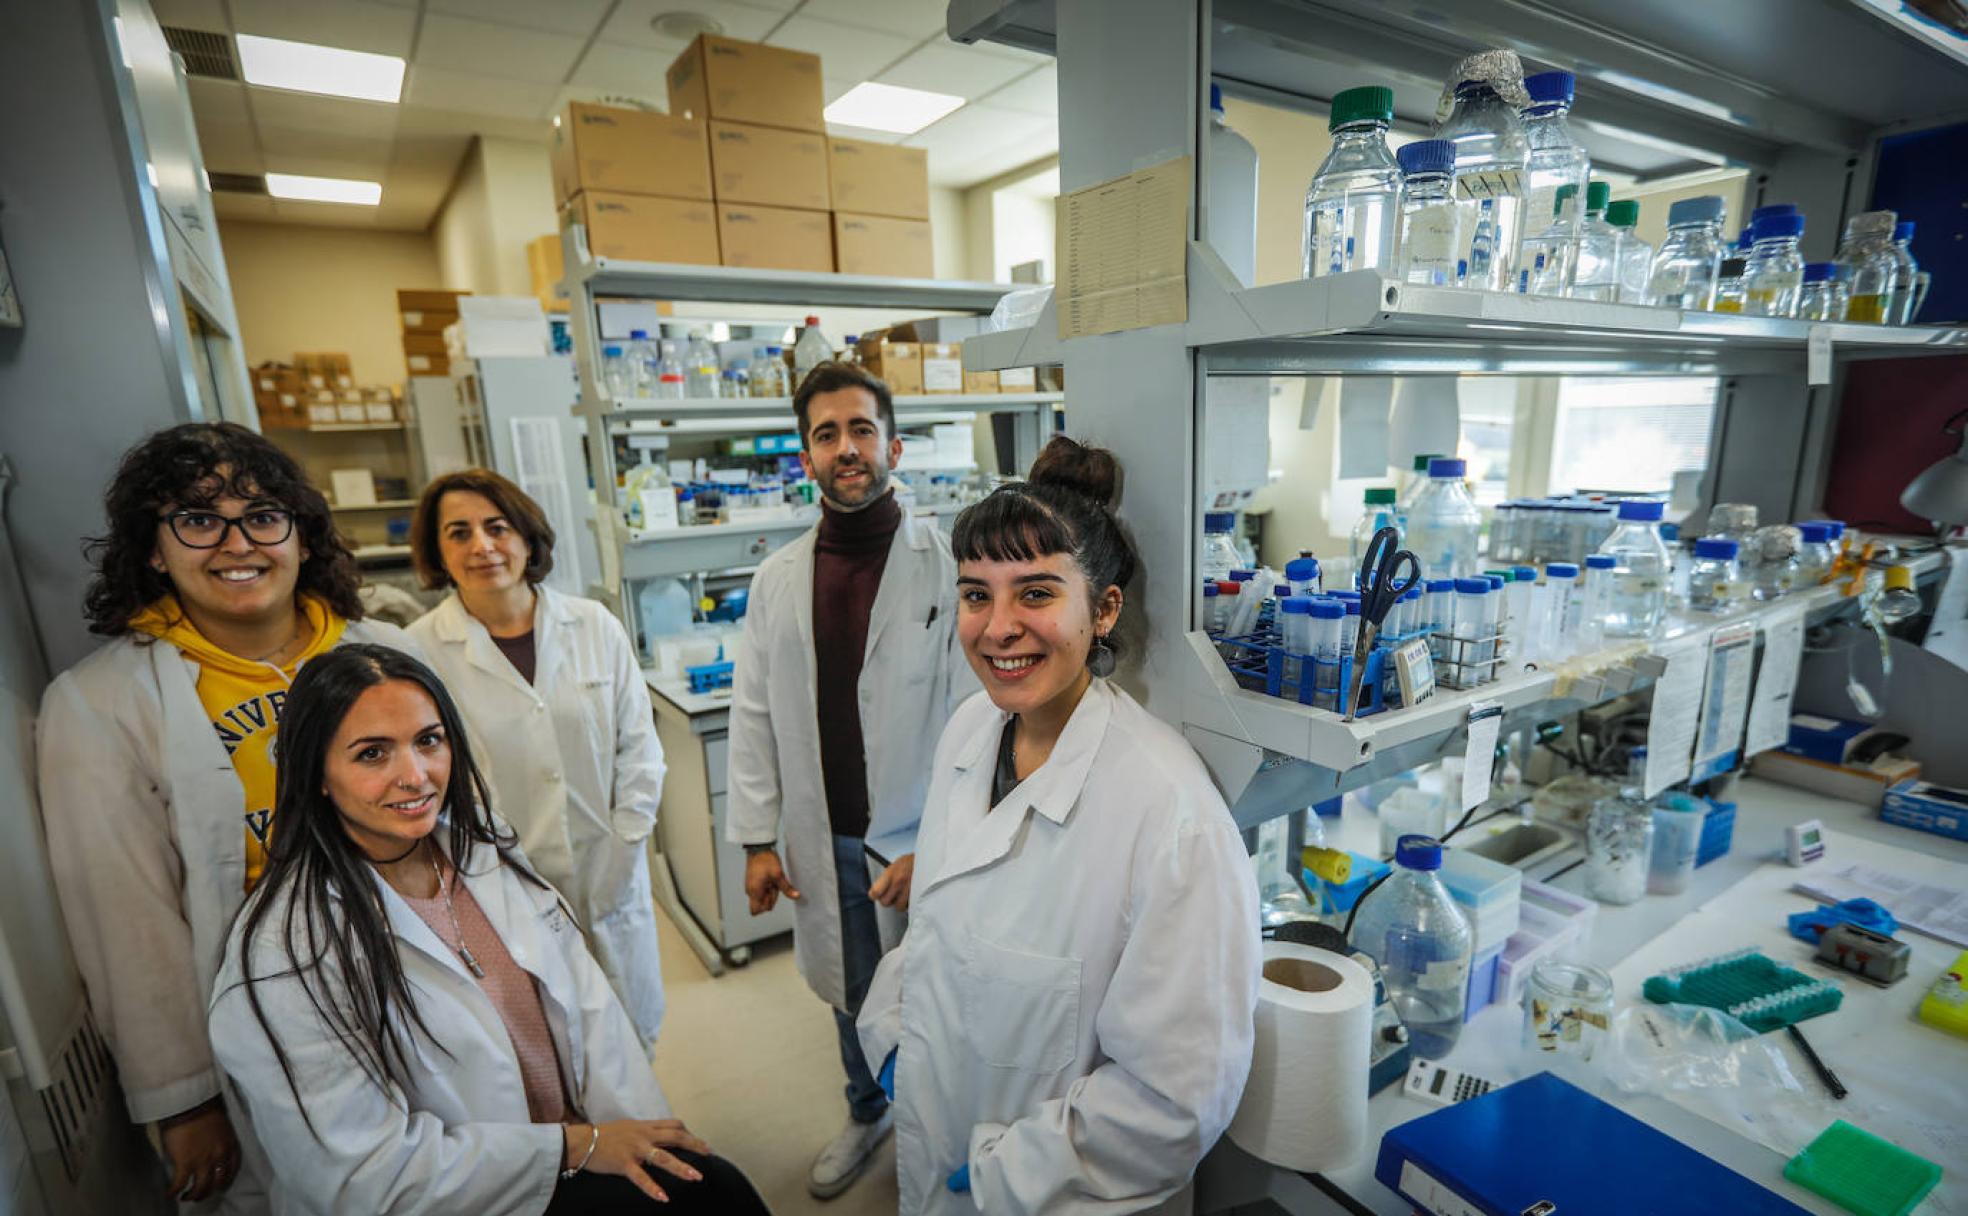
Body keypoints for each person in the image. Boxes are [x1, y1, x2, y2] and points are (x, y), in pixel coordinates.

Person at [207, 645, 769, 1214]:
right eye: (372, 753)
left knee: (718, 1188)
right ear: (317, 774)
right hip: (477, 1194)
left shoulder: (479, 848)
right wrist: (572, 1147)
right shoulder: (287, 954)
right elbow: (364, 1178)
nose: (415, 775)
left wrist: (632, 1133)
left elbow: (588, 1011)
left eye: (429, 740)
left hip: (574, 1145)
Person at [857, 437, 1261, 1215]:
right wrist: (895, 1041)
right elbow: (935, 930)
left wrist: (1013, 1172)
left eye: (1036, 594)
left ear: (1104, 609)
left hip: (1056, 1193)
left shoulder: (1169, 815)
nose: (998, 627)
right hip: (938, 1124)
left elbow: (1175, 1098)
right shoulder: (970, 732)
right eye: (977, 595)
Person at [34, 422, 425, 1210]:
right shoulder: (103, 703)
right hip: (269, 1029)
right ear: (154, 547)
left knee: (472, 1174)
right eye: (198, 518)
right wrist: (185, 1097)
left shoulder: (385, 651)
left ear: (301, 536)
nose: (236, 542)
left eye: (262, 515)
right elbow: (124, 916)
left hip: (426, 978)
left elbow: (464, 829)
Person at [725, 360, 972, 1198]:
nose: (846, 447)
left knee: (945, 989)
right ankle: (868, 1112)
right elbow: (753, 714)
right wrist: (758, 841)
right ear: (806, 457)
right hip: (825, 831)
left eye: (861, 429)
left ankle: (949, 1131)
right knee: (851, 988)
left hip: (923, 830)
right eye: (826, 434)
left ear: (893, 444)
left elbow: (980, 719)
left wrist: (943, 842)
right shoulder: (777, 578)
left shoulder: (949, 566)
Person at [405, 468, 667, 1053]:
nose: (482, 546)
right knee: (544, 1044)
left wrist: (628, 836)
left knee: (632, 1032)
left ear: (527, 538)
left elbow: (640, 744)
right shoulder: (418, 649)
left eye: (497, 527)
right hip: (496, 881)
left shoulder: (594, 625)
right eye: (459, 532)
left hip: (610, 868)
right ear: (437, 552)